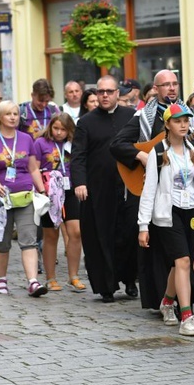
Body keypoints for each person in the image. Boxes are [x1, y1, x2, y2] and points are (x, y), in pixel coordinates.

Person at [111, 69, 194, 309]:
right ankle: (163, 301)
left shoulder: (190, 116)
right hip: (158, 194)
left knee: (183, 255)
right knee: (159, 253)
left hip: (187, 195)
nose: (171, 88)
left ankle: (185, 298)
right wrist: (142, 156)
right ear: (156, 89)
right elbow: (117, 144)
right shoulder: (144, 116)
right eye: (166, 85)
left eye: (175, 84)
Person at [139, 104, 194, 336]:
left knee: (179, 263)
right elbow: (148, 190)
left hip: (191, 212)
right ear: (167, 124)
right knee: (183, 262)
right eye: (178, 121)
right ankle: (186, 316)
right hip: (168, 214)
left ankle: (167, 302)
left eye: (186, 121)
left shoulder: (193, 151)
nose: (184, 125)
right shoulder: (158, 152)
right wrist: (143, 225)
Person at [73, 76, 138, 303]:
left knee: (130, 233)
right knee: (101, 237)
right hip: (99, 190)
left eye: (110, 91)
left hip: (129, 186)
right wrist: (80, 182)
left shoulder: (131, 117)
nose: (105, 96)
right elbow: (78, 155)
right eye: (101, 92)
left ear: (118, 94)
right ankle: (106, 287)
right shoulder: (86, 122)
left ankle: (130, 279)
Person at [0, 100, 48, 297]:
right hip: (2, 198)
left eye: (15, 114)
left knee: (29, 240)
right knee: (2, 242)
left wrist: (42, 189)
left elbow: (33, 167)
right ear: (0, 118)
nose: (13, 117)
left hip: (25, 196)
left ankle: (33, 282)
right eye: (8, 114)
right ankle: (1, 279)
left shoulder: (26, 139)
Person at [34, 113, 86, 293]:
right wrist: (41, 190)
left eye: (63, 129)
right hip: (50, 192)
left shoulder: (74, 144)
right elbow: (33, 167)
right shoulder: (41, 143)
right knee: (51, 235)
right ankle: (51, 277)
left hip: (70, 190)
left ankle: (73, 275)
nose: (59, 132)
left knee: (76, 232)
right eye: (56, 128)